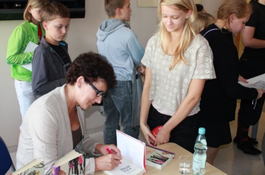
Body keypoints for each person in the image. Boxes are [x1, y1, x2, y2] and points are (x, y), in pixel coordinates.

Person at [16, 52, 122, 174]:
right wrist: (96, 164)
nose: (99, 100)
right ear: (80, 81)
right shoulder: (46, 112)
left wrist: (98, 147)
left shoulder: (78, 105)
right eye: (98, 92)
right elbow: (48, 170)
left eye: (102, 95)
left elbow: (79, 142)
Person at [140, 0, 216, 153]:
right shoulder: (154, 42)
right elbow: (148, 85)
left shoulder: (200, 46)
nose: (168, 22)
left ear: (188, 13)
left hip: (184, 121)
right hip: (155, 115)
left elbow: (194, 96)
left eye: (174, 17)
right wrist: (142, 122)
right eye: (164, 15)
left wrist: (167, 128)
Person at [199, 0, 264, 164]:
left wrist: (234, 74)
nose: (244, 27)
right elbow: (230, 89)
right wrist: (254, 93)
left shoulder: (212, 31)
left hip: (206, 98)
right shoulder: (222, 42)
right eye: (243, 23)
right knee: (211, 146)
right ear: (232, 17)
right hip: (213, 103)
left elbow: (219, 67)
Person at [96, 0, 144, 145]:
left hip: (107, 82)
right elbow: (141, 57)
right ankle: (130, 159)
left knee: (111, 120)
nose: (131, 10)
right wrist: (138, 66)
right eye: (128, 6)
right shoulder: (126, 34)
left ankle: (110, 154)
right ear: (119, 10)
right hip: (124, 83)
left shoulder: (101, 31)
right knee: (130, 123)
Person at [6, 0, 48, 120]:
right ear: (29, 9)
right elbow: (10, 58)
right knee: (28, 123)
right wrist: (35, 53)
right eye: (39, 11)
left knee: (40, 121)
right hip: (25, 82)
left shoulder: (43, 27)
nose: (42, 14)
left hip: (41, 80)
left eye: (44, 11)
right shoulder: (21, 30)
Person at [234, 0, 265, 155]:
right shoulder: (254, 9)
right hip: (253, 63)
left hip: (261, 62)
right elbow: (247, 40)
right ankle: (242, 139)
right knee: (250, 102)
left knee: (257, 103)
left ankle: (243, 136)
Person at [32, 1, 72, 98]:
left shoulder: (63, 46)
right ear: (45, 25)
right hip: (51, 103)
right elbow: (38, 88)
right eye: (59, 27)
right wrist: (67, 80)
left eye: (66, 26)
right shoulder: (41, 52)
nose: (64, 31)